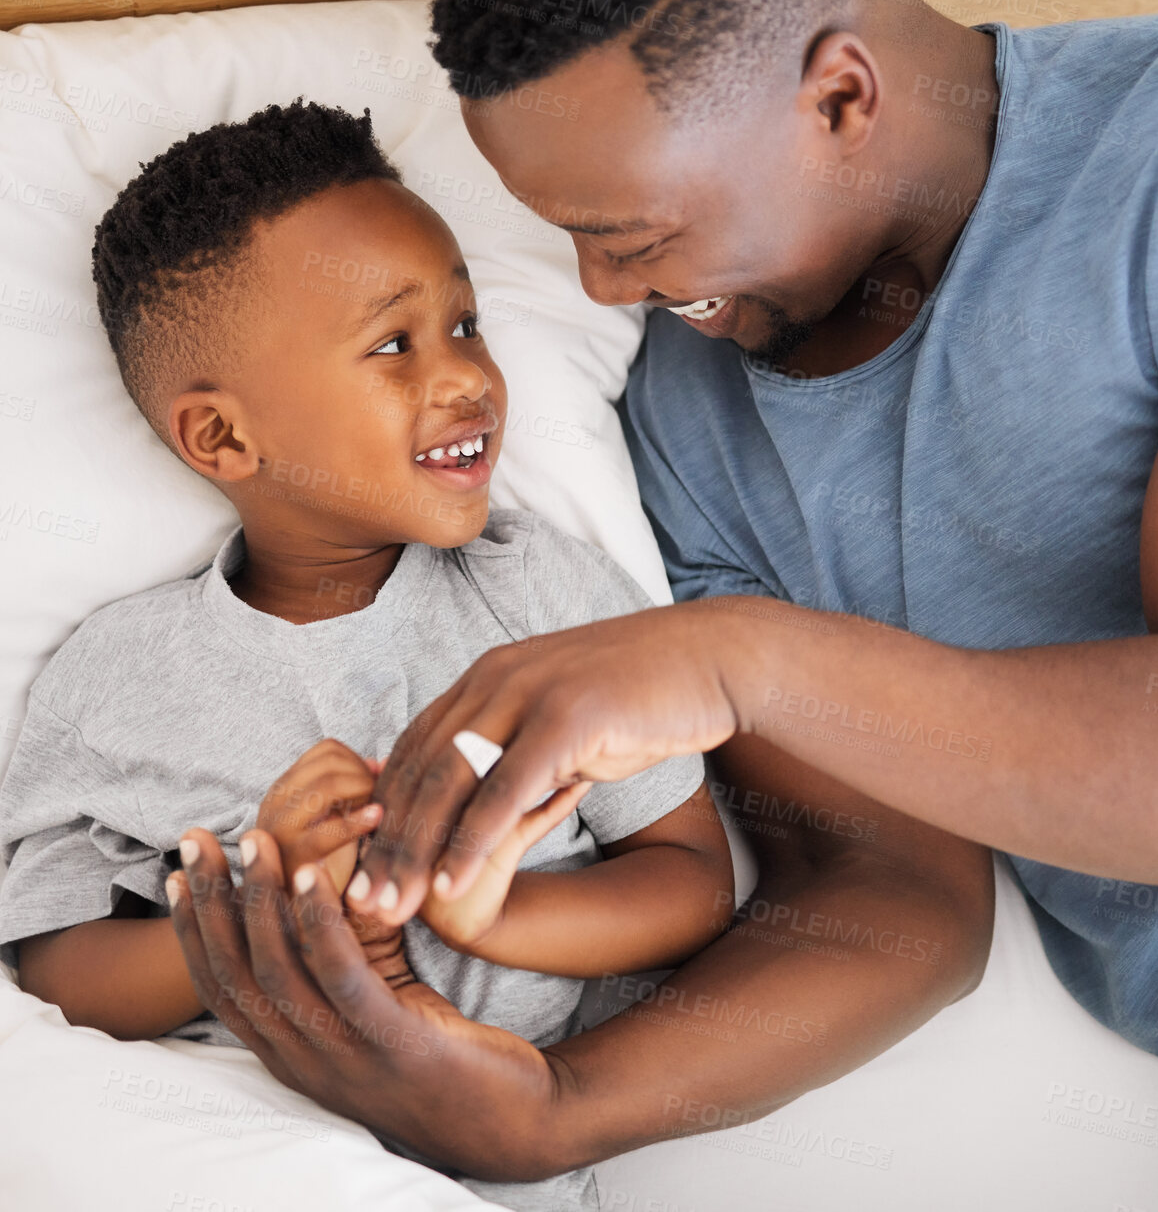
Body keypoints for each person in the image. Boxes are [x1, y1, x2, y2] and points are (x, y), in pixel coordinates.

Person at [170, 0, 1158, 1208]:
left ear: (839, 94)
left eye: (633, 229)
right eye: (571, 236)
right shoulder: (691, 420)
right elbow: (896, 897)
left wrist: (735, 658)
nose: (605, 289)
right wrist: (547, 1111)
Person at [0, 100, 733, 1212]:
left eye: (466, 323)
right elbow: (56, 972)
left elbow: (689, 879)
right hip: (238, 1145)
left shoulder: (546, 599)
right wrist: (261, 907)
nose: (466, 377)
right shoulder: (115, 676)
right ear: (225, 439)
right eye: (393, 344)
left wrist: (483, 912)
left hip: (501, 1156)